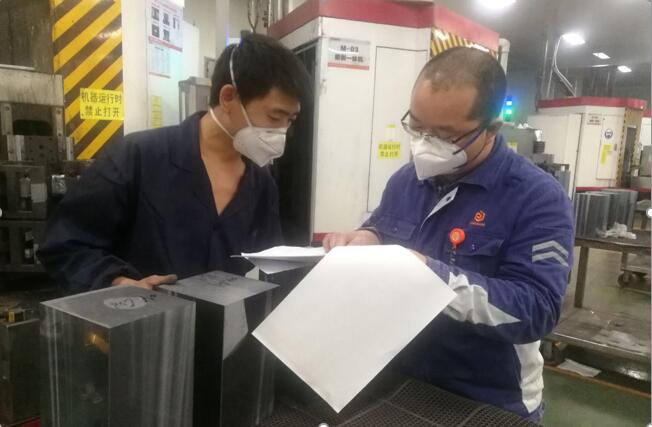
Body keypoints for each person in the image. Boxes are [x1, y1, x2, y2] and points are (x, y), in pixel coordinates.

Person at [323, 47, 574, 423]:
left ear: (491, 128)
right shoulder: (406, 180)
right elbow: (382, 229)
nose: (425, 143)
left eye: (445, 135)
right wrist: (367, 238)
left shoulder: (537, 198)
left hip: (489, 397)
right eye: (417, 127)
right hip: (403, 379)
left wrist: (431, 278)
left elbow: (537, 309)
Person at [38, 33, 311, 293]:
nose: (281, 131)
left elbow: (273, 263)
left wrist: (321, 257)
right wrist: (115, 282)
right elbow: (66, 244)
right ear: (228, 97)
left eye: (290, 120)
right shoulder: (138, 157)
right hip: (144, 321)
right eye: (275, 117)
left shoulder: (261, 184)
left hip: (226, 325)